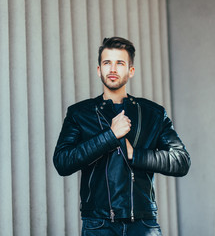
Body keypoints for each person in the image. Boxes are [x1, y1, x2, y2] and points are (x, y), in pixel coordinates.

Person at [53, 36, 191, 236]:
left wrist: (135, 154)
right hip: (99, 224)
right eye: (107, 63)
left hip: (143, 223)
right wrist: (109, 136)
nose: (113, 69)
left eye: (120, 63)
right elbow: (62, 162)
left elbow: (181, 161)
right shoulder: (80, 114)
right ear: (99, 69)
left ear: (131, 71)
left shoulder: (152, 113)